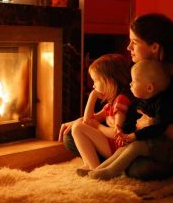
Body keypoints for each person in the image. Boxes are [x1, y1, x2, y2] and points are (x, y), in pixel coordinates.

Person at [59, 13, 173, 180]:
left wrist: (153, 124)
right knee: (70, 136)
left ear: (154, 47)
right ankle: (114, 163)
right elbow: (122, 108)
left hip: (156, 145)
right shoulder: (134, 68)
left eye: (134, 42)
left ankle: (117, 164)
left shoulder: (167, 80)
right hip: (128, 138)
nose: (128, 48)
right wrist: (88, 121)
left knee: (139, 169)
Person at [88, 59, 172, 180]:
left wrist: (134, 136)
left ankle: (110, 172)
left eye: (134, 81)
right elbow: (129, 123)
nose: (130, 84)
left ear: (149, 88)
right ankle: (98, 169)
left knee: (135, 148)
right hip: (145, 142)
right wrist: (123, 135)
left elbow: (159, 127)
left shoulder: (162, 104)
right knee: (122, 149)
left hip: (161, 147)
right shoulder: (138, 103)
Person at [69, 54, 132, 174]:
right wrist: (92, 96)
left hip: (118, 147)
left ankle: (95, 168)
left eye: (96, 81)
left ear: (109, 80)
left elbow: (117, 134)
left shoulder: (121, 100)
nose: (93, 85)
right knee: (77, 125)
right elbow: (88, 120)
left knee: (77, 127)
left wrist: (98, 126)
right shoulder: (110, 104)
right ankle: (89, 164)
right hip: (110, 145)